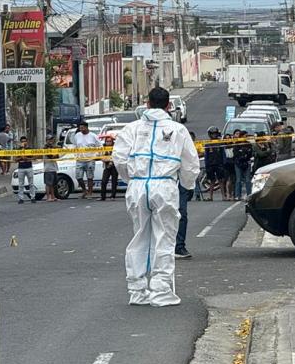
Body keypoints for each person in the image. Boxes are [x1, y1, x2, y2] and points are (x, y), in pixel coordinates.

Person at [112, 87, 200, 306]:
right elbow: (190, 165)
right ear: (169, 105)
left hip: (138, 186)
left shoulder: (130, 129)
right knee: (164, 238)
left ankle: (137, 291)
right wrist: (186, 186)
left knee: (140, 236)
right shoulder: (178, 130)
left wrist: (131, 179)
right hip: (164, 186)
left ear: (147, 103)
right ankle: (160, 291)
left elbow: (119, 159)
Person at [70, 120, 101, 199]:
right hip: (80, 159)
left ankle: (90, 193)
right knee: (78, 177)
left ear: (87, 127)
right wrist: (75, 154)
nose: (81, 130)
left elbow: (100, 146)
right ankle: (84, 191)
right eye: (80, 128)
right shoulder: (77, 135)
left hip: (90, 159)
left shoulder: (93, 136)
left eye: (83, 128)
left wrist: (96, 155)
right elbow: (74, 145)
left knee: (90, 177)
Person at [203, 127, 227, 201]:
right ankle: (210, 196)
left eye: (215, 134)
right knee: (212, 181)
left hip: (219, 163)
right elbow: (206, 155)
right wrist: (206, 164)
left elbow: (223, 153)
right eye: (212, 134)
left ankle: (223, 196)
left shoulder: (220, 143)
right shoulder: (207, 143)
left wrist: (224, 162)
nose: (214, 135)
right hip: (210, 164)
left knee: (221, 180)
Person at [13, 136, 37, 204]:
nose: (24, 143)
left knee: (31, 183)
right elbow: (15, 159)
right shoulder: (18, 150)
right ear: (20, 142)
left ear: (27, 142)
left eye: (25, 141)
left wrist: (27, 158)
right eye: (22, 141)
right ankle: (21, 198)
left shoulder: (29, 149)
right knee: (21, 184)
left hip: (29, 167)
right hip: (21, 168)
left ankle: (33, 197)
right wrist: (21, 157)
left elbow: (34, 157)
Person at [232, 130, 254, 200]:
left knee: (248, 180)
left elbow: (250, 153)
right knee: (238, 180)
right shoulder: (237, 144)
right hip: (238, 163)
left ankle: (249, 195)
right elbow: (235, 154)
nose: (246, 137)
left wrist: (245, 154)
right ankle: (237, 195)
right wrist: (243, 154)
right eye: (245, 136)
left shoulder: (248, 144)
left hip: (247, 163)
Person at [42, 133, 60, 202]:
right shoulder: (45, 147)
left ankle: (53, 196)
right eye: (49, 139)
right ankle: (48, 197)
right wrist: (55, 153)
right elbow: (51, 156)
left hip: (54, 167)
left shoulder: (53, 147)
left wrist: (55, 153)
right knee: (48, 183)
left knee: (53, 184)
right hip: (48, 168)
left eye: (52, 139)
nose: (51, 141)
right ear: (46, 140)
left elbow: (57, 156)